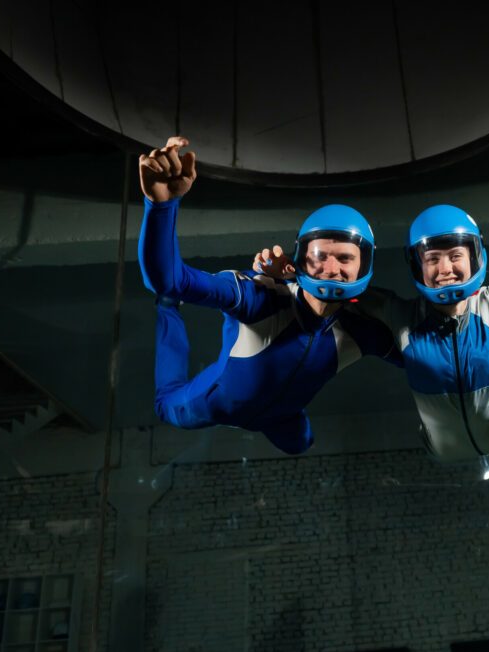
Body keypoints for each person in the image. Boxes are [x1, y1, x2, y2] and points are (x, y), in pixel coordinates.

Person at [256, 119, 489, 462]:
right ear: (418, 265)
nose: (445, 268)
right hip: (441, 448)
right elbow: (335, 287)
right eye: (433, 258)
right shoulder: (400, 316)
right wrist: (286, 272)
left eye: (455, 255)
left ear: (474, 255)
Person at [137, 136, 403, 454]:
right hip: (218, 404)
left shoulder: (364, 329)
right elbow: (170, 280)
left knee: (301, 444)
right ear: (300, 258)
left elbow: (433, 356)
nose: (331, 269)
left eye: (345, 258)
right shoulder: (261, 297)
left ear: (364, 265)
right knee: (166, 404)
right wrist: (161, 205)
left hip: (283, 417)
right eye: (320, 256)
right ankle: (168, 310)